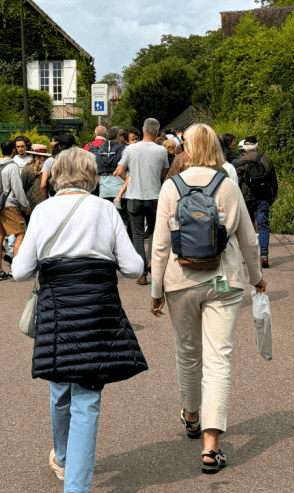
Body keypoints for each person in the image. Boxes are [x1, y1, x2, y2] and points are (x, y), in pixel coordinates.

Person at [11, 147, 147, 493]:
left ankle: (65, 459)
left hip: (56, 311)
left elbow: (20, 271)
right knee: (87, 397)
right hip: (97, 310)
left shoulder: (42, 211)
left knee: (59, 385)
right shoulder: (104, 210)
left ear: (55, 177)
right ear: (92, 176)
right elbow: (134, 268)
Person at [151, 124, 266, 474]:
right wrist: (257, 280)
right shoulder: (228, 186)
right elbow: (249, 240)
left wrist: (156, 291)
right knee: (219, 360)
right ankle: (211, 445)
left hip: (180, 282)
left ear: (185, 149)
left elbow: (160, 245)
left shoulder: (171, 187)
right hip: (223, 281)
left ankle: (190, 414)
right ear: (216, 147)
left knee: (187, 354)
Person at [117, 117, 169, 286]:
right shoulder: (161, 150)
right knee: (154, 233)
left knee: (138, 236)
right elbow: (164, 172)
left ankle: (141, 273)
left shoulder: (130, 149)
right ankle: (152, 263)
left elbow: (120, 171)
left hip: (134, 196)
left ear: (143, 129)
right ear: (156, 132)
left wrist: (129, 179)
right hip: (154, 197)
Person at [233, 136, 278, 269]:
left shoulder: (240, 161)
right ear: (257, 146)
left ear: (245, 148)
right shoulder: (266, 159)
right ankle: (264, 255)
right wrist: (271, 199)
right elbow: (273, 182)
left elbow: (236, 183)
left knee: (247, 229)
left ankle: (250, 257)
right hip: (263, 197)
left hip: (246, 199)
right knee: (263, 225)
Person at [0, 140, 31, 280]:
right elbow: (17, 188)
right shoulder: (12, 166)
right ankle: (16, 269)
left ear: (1, 150)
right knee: (20, 233)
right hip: (8, 205)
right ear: (13, 150)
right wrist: (25, 205)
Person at [94, 127, 125, 204]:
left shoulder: (100, 148)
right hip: (119, 189)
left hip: (104, 189)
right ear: (118, 136)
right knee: (121, 214)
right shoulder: (122, 148)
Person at [20, 146, 48, 210]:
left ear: (32, 155)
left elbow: (22, 187)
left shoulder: (27, 168)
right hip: (45, 202)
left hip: (30, 202)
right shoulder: (49, 168)